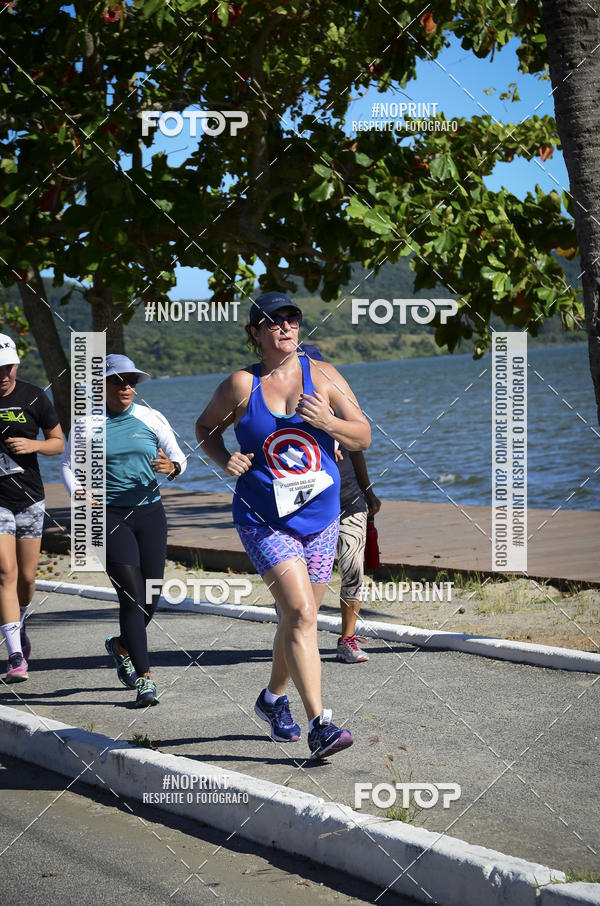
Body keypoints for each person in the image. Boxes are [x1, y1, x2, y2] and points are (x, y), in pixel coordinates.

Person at [195, 292, 371, 759]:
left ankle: (272, 699)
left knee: (298, 620)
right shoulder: (240, 385)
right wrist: (224, 457)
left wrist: (330, 422)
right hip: (263, 518)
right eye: (273, 322)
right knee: (302, 616)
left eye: (292, 319)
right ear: (256, 333)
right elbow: (205, 428)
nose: (286, 327)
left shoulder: (325, 376)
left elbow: (364, 435)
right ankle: (320, 725)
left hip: (321, 519)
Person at [62, 354, 186, 707]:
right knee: (131, 595)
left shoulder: (151, 418)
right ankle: (145, 678)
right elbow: (68, 466)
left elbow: (179, 458)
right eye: (118, 381)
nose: (127, 386)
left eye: (131, 380)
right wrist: (80, 495)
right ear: (102, 386)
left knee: (152, 596)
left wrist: (172, 466)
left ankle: (120, 645)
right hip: (106, 515)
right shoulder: (86, 425)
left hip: (149, 513)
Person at [299, 345, 381, 664]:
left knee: (352, 567)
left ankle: (347, 639)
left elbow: (359, 448)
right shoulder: (289, 416)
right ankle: (299, 632)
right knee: (305, 577)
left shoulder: (342, 412)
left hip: (348, 498)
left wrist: (368, 492)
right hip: (307, 504)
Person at [0, 334, 65, 683]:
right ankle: (14, 656)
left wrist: (33, 444)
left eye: (7, 367)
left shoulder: (33, 396)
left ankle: (19, 625)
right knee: (5, 573)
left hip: (29, 498)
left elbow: (58, 443)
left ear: (16, 365)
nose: (3, 374)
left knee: (27, 577)